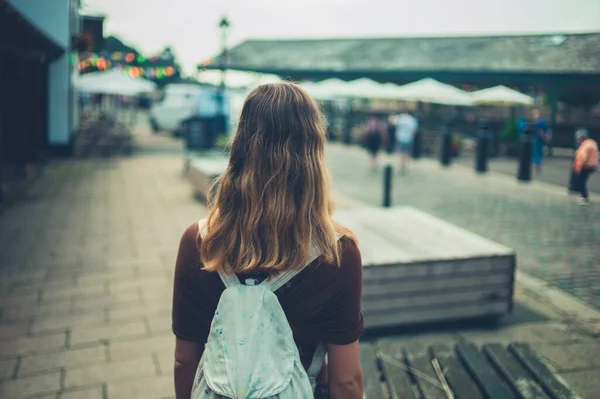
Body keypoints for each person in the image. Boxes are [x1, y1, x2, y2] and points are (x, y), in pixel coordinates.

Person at [172, 83, 364, 399]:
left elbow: (184, 359)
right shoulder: (337, 253)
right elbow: (347, 380)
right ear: (313, 154)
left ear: (241, 144)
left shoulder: (199, 242)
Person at [573, 128, 598, 205]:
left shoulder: (585, 145)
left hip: (586, 166)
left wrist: (578, 167)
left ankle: (584, 197)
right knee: (582, 181)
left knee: (580, 181)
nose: (577, 139)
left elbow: (582, 157)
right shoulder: (591, 143)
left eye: (578, 137)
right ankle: (583, 195)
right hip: (592, 165)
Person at [394, 107, 418, 174]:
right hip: (409, 139)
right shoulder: (412, 120)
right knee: (407, 154)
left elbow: (392, 122)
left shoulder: (400, 118)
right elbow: (414, 131)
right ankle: (405, 168)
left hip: (400, 138)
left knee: (400, 154)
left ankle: (400, 167)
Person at [530, 108, 551, 176]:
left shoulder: (538, 122)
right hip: (539, 140)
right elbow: (548, 130)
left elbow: (541, 131)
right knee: (538, 153)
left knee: (536, 153)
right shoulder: (542, 121)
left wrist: (544, 136)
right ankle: (538, 166)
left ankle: (537, 166)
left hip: (537, 139)